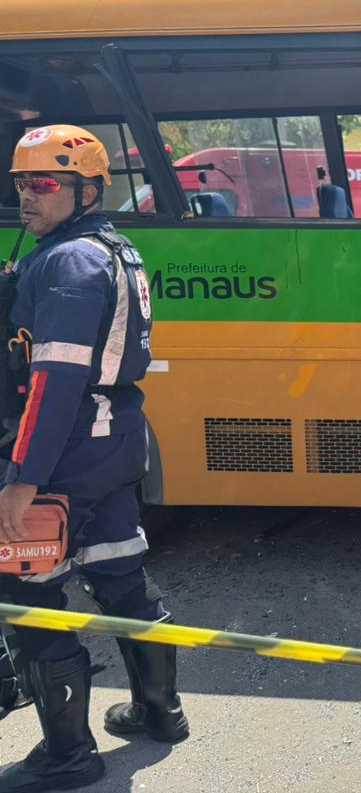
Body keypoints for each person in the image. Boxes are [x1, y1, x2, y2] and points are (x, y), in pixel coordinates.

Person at [0, 125, 188, 793]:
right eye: (21, 182)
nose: (28, 195)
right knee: (120, 575)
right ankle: (159, 712)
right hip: (115, 441)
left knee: (27, 593)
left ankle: (69, 755)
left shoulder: (69, 262)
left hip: (67, 449)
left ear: (85, 188)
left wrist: (23, 480)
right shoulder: (110, 249)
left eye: (44, 183)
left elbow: (52, 382)